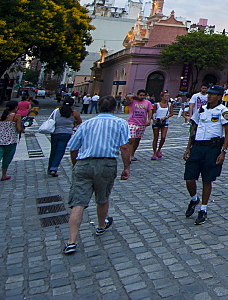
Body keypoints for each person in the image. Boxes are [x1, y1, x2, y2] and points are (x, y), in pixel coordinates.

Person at [62, 95, 132, 255]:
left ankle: (71, 241)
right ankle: (101, 225)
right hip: (106, 164)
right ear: (115, 108)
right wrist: (126, 167)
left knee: (78, 202)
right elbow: (125, 147)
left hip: (84, 163)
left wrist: (76, 165)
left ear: (98, 107)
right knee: (102, 197)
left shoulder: (86, 124)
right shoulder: (121, 123)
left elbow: (73, 147)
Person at [183, 85, 228, 225]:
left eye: (212, 94)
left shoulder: (223, 111)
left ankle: (203, 209)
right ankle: (194, 199)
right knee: (189, 178)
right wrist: (188, 147)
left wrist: (223, 152)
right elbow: (194, 128)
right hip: (197, 146)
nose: (209, 96)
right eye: (208, 94)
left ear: (219, 96)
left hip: (212, 148)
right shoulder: (201, 109)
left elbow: (227, 132)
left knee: (207, 180)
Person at [0, 100, 23, 185]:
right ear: (15, 107)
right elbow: (19, 129)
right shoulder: (16, 116)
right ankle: (4, 175)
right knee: (6, 159)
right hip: (10, 141)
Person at [48, 97, 82, 176]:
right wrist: (74, 124)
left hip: (55, 133)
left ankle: (50, 167)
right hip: (66, 133)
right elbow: (79, 121)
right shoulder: (74, 113)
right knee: (60, 151)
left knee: (53, 150)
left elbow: (51, 119)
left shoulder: (56, 111)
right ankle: (54, 168)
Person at [125, 89, 154, 160]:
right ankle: (128, 155)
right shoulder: (132, 102)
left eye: (143, 95)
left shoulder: (147, 103)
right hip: (132, 122)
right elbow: (127, 97)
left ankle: (132, 154)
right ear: (137, 95)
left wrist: (149, 120)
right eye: (140, 95)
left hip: (142, 123)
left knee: (137, 140)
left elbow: (150, 111)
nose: (142, 97)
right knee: (132, 139)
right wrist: (134, 96)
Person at [150, 91, 173, 160]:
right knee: (156, 138)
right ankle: (154, 152)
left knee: (163, 137)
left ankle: (159, 149)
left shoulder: (169, 104)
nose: (167, 97)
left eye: (167, 96)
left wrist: (165, 117)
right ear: (162, 97)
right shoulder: (157, 105)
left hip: (165, 121)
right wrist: (153, 119)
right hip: (157, 121)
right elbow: (151, 113)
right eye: (165, 96)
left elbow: (172, 113)